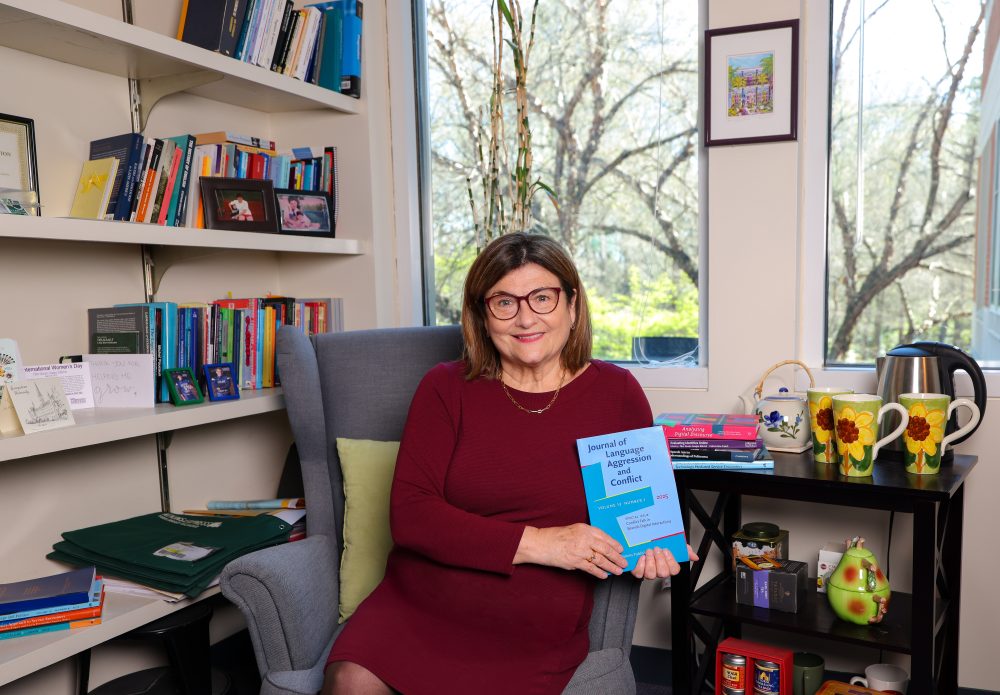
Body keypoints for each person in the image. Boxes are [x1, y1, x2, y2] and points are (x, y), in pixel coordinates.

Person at [323, 233, 697, 695]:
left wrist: (650, 547)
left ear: (572, 305)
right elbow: (411, 516)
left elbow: (634, 515)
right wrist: (543, 543)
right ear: (483, 316)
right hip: (419, 601)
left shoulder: (617, 393)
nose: (525, 318)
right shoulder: (444, 388)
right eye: (504, 302)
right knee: (350, 680)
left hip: (534, 619)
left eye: (542, 298)